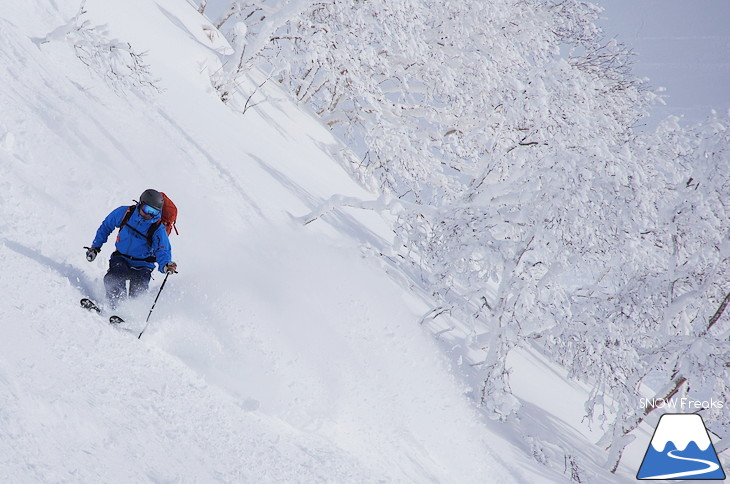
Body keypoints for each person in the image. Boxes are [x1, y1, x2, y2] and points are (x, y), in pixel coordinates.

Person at [85, 189, 178, 308]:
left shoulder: (158, 228)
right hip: (121, 258)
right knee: (114, 278)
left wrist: (166, 264)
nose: (149, 215)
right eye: (147, 209)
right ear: (140, 203)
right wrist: (95, 247)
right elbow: (106, 226)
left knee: (138, 291)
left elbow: (162, 249)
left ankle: (130, 314)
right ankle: (113, 307)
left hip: (143, 265)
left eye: (153, 212)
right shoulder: (125, 213)